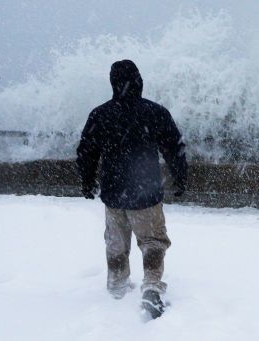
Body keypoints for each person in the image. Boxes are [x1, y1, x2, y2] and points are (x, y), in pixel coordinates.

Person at [76, 59, 187, 319]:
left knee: (116, 245)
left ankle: (117, 290)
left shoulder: (100, 114)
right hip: (145, 194)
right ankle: (151, 287)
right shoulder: (154, 112)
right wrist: (180, 177)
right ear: (139, 82)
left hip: (114, 194)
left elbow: (86, 153)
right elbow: (174, 148)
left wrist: (87, 181)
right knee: (153, 242)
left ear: (113, 84)